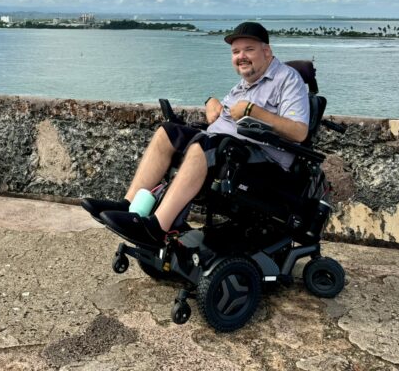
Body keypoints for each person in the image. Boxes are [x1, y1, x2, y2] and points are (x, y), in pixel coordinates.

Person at [81, 21, 310, 248]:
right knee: (168, 132)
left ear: (266, 51)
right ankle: (129, 206)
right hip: (224, 145)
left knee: (204, 145)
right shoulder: (244, 84)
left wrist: (253, 111)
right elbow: (224, 117)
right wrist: (211, 103)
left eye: (249, 49)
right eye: (236, 52)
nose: (241, 56)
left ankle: (157, 227)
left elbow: (299, 132)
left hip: (261, 162)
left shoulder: (288, 80)